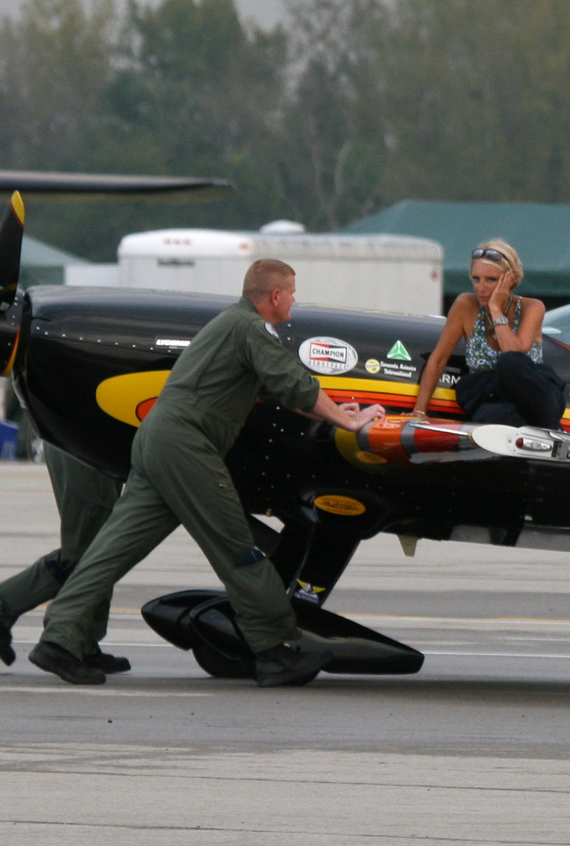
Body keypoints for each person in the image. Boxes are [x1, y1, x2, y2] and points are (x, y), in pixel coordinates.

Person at [26, 259, 385, 687]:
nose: (294, 300)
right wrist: (349, 424)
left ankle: (60, 638)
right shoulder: (252, 328)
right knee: (237, 547)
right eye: (291, 293)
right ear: (274, 297)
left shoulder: (231, 325)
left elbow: (278, 389)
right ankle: (273, 650)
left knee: (113, 548)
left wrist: (332, 412)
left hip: (157, 440)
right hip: (186, 447)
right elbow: (293, 382)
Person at [0, 447, 126, 672]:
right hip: (87, 445)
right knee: (90, 553)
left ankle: (85, 643)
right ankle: (0, 605)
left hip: (82, 442)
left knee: (96, 546)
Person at [410, 239, 565, 428]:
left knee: (509, 362)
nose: (480, 288)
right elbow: (438, 359)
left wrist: (495, 309)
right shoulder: (465, 305)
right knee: (490, 416)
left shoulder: (531, 307)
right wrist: (419, 411)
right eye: (476, 279)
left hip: (536, 399)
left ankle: (553, 432)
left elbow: (514, 351)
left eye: (491, 280)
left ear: (511, 279)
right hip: (494, 399)